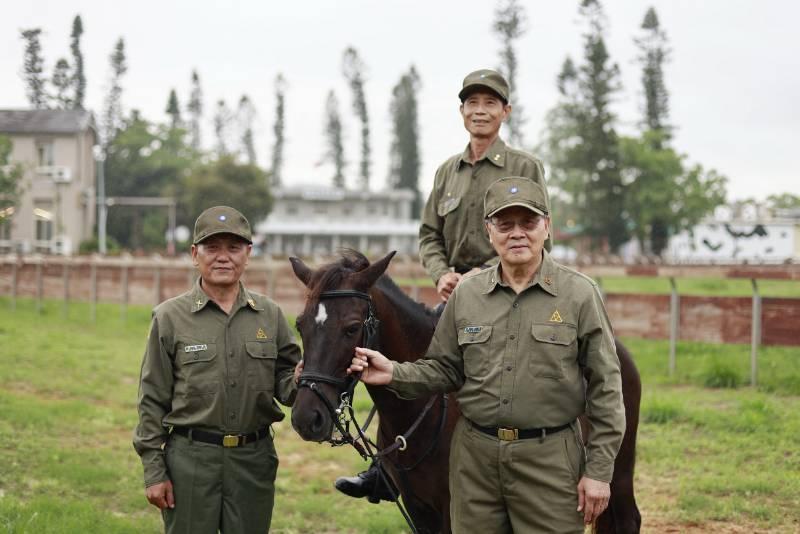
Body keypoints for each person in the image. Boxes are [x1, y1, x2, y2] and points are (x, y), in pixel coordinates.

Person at [348, 177, 626, 533]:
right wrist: (394, 373)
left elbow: (606, 387)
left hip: (549, 461)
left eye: (528, 223)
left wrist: (599, 472)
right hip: (475, 463)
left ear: (547, 227)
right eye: (504, 224)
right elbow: (445, 369)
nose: (517, 233)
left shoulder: (579, 295)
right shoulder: (467, 296)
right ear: (489, 231)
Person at [335, 67, 552, 503]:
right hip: (454, 296)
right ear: (461, 112)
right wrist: (442, 274)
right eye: (472, 103)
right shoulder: (446, 172)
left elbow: (532, 229)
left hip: (510, 288)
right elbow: (428, 234)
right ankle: (388, 463)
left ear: (505, 112)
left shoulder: (523, 166)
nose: (480, 110)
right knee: (408, 355)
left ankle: (540, 453)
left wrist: (483, 273)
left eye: (490, 103)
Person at [133, 206, 301, 534]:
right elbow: (151, 400)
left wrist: (302, 377)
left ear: (248, 254)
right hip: (191, 462)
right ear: (195, 254)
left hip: (253, 461)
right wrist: (155, 471)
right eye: (212, 248)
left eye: (234, 248)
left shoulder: (270, 315)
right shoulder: (169, 318)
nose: (223, 257)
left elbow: (287, 386)